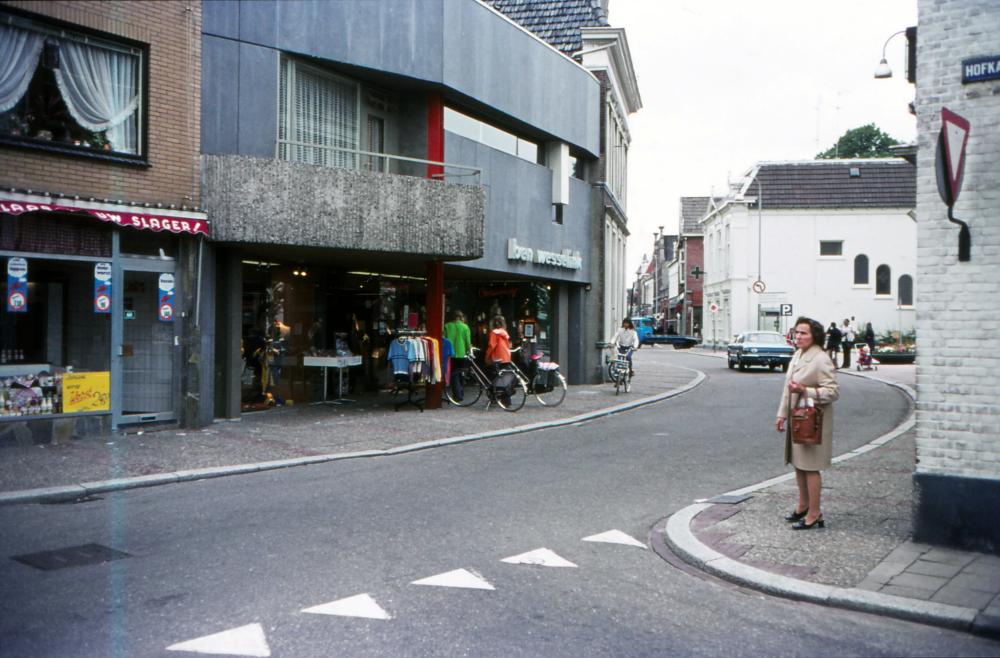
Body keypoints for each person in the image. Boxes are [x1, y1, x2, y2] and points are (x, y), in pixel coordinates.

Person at [775, 317, 839, 530]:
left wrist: (806, 391)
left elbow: (833, 391)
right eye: (797, 332)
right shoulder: (798, 354)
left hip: (813, 422)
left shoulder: (820, 358)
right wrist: (782, 414)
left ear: (815, 336)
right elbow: (787, 388)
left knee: (811, 467)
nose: (799, 337)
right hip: (798, 418)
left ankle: (815, 512)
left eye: (804, 333)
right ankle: (803, 505)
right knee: (799, 464)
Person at [442, 310, 472, 402]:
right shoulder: (465, 327)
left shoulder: (447, 326)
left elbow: (443, 339)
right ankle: (461, 391)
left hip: (451, 354)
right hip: (462, 353)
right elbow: (467, 341)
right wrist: (468, 351)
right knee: (462, 373)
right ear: (461, 317)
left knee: (454, 374)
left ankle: (457, 395)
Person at [485, 315, 512, 404]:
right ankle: (507, 400)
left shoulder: (494, 333)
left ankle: (494, 398)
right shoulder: (504, 332)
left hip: (497, 358)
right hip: (506, 357)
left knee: (494, 379)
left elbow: (492, 346)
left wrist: (487, 357)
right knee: (505, 380)